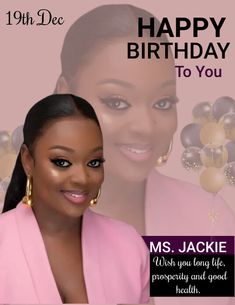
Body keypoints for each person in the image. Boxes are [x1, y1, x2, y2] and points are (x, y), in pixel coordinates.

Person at [55, 4, 235, 305]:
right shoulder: (20, 228)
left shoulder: (204, 219)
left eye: (163, 103)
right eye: (116, 102)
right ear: (65, 96)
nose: (145, 126)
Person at [0, 94, 149, 304]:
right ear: (28, 160)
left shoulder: (129, 246)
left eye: (94, 162)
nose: (82, 178)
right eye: (62, 162)